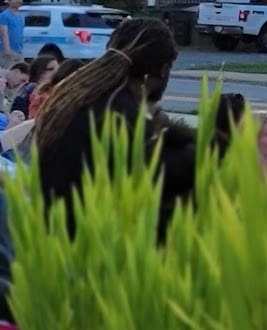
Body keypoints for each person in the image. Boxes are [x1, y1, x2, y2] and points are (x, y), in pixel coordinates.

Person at [34, 18, 197, 238]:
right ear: (163, 70)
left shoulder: (76, 99)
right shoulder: (124, 119)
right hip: (84, 248)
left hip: (46, 235)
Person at [0, 0, 25, 69]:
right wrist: (7, 50)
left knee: (21, 74)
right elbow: (4, 33)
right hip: (8, 51)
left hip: (19, 51)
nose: (18, 1)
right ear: (9, 1)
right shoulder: (4, 15)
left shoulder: (21, 16)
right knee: (8, 74)